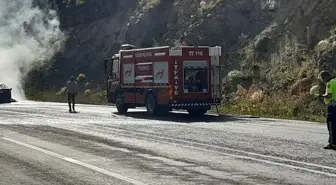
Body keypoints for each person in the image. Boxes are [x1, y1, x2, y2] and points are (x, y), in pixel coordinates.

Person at [318, 71, 336, 150]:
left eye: (322, 78)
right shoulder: (335, 81)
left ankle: (333, 144)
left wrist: (321, 95)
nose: (322, 80)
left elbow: (329, 95)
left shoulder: (329, 83)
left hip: (332, 107)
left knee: (331, 125)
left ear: (325, 76)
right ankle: (331, 142)